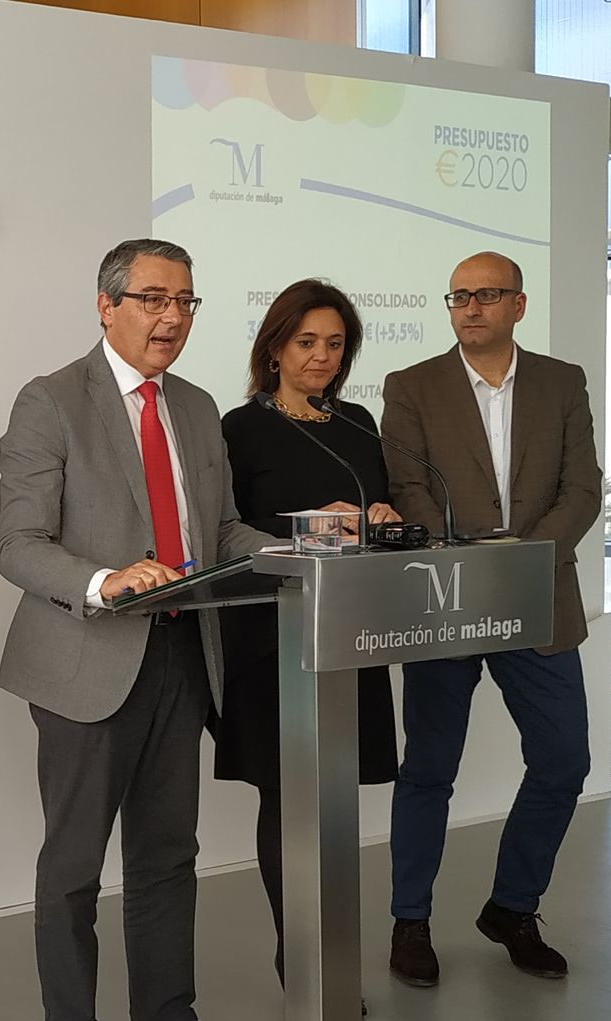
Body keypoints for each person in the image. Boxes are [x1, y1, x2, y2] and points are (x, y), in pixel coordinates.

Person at [0, 238, 273, 1021]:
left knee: (168, 855)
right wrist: (104, 580)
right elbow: (17, 545)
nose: (171, 317)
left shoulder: (195, 405)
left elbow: (220, 534)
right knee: (74, 867)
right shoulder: (50, 401)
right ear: (106, 305)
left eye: (185, 301)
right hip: (87, 662)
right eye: (153, 298)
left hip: (184, 656)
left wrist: (306, 544)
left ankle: (165, 1020)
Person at [380, 251, 601, 987]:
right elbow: (408, 489)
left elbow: (583, 488)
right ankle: (410, 921)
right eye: (459, 297)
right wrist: (467, 565)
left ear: (519, 305)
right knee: (429, 770)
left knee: (564, 761)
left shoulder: (562, 382)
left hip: (538, 599)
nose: (470, 307)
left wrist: (525, 563)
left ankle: (512, 907)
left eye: (487, 294)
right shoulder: (412, 386)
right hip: (446, 602)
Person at [212, 279, 400, 984]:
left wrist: (381, 518)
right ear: (275, 348)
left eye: (335, 344)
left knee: (337, 798)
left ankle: (333, 955)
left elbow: (376, 514)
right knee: (287, 796)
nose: (322, 356)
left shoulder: (359, 424)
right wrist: (317, 526)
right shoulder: (239, 428)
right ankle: (299, 955)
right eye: (306, 342)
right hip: (274, 637)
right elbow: (224, 532)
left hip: (351, 633)